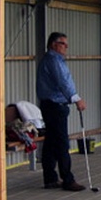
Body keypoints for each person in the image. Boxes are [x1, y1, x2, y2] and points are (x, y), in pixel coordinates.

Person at [36, 32, 87, 191]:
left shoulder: (54, 59)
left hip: (52, 105)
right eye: (63, 43)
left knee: (51, 142)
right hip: (54, 105)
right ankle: (67, 179)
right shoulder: (53, 60)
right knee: (61, 143)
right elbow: (63, 82)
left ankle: (50, 178)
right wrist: (76, 98)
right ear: (53, 44)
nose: (66, 46)